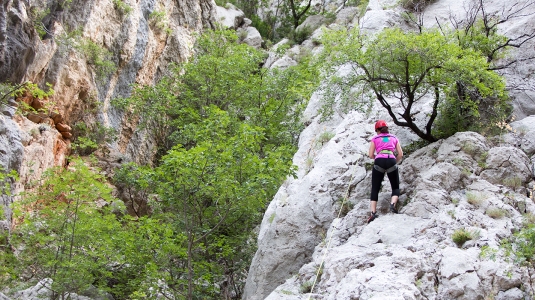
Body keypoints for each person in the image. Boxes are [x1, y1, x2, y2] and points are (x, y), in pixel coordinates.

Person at [367, 120, 403, 223]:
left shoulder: (375, 138)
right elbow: (400, 154)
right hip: (391, 159)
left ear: (377, 130)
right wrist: (393, 162)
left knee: (375, 188)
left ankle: (373, 213)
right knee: (395, 186)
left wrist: (378, 158)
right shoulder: (394, 138)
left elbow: (370, 155)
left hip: (379, 160)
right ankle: (392, 204)